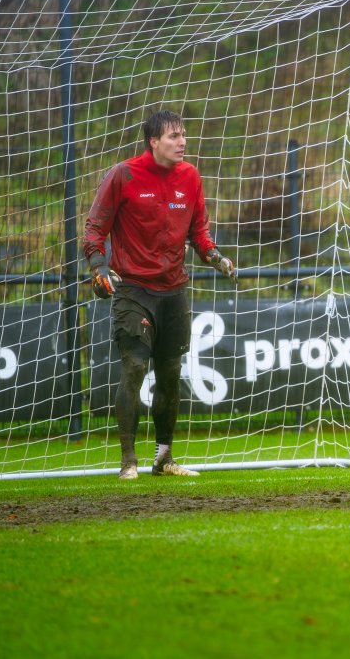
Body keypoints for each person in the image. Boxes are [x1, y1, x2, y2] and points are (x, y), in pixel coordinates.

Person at [83, 110, 237, 480]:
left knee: (169, 374)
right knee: (135, 367)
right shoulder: (124, 174)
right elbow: (94, 230)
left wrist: (215, 257)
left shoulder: (190, 177)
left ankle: (164, 458)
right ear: (153, 141)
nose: (181, 142)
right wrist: (99, 268)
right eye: (173, 136)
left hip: (174, 291)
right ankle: (128, 461)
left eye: (183, 135)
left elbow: (199, 233)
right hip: (133, 290)